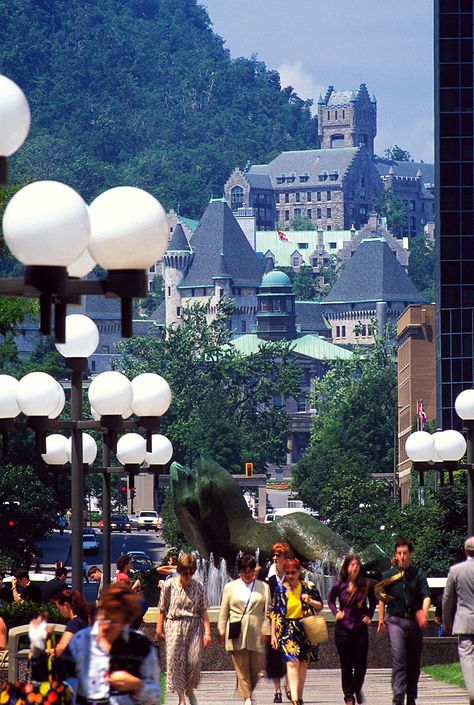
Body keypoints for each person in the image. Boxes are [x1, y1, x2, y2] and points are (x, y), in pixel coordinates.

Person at [67, 583, 160, 705]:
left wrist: (137, 685)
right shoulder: (81, 640)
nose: (106, 625)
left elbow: (155, 695)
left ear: (126, 622)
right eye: (104, 617)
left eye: (114, 621)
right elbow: (65, 681)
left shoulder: (141, 645)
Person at [376, 537, 430, 705]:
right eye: (399, 553)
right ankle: (398, 694)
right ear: (396, 555)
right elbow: (381, 597)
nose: (402, 557)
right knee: (399, 657)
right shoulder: (389, 575)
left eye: (405, 553)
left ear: (410, 555)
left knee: (413, 661)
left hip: (414, 622)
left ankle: (411, 697)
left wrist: (424, 611)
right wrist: (380, 620)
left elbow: (426, 595)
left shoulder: (418, 574)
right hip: (395, 621)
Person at [156, 553, 210, 705]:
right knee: (176, 661)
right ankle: (181, 699)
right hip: (174, 625)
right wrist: (159, 628)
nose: (188, 576)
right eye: (185, 573)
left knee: (193, 661)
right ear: (179, 571)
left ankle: (190, 689)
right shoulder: (169, 586)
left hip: (193, 625)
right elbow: (162, 608)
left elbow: (203, 610)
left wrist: (207, 631)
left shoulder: (198, 587)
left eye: (191, 573)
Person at [218, 554, 271, 705]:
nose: (247, 574)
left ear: (255, 570)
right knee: (241, 667)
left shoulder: (264, 587)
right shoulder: (230, 587)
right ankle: (247, 697)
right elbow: (224, 611)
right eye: (244, 571)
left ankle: (247, 691)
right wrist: (222, 630)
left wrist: (267, 631)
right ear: (239, 571)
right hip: (236, 630)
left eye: (250, 571)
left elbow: (268, 612)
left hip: (257, 631)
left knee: (256, 668)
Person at [270, 557, 322, 705]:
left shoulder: (308, 587)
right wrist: (273, 634)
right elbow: (274, 613)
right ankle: (294, 699)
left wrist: (310, 601)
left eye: (293, 572)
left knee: (303, 663)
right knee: (292, 662)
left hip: (306, 627)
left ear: (299, 572)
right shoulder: (280, 590)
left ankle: (298, 695)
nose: (290, 576)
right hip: (288, 629)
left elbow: (319, 605)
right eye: (287, 573)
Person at [328, 553, 376, 705]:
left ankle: (357, 687)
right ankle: (349, 696)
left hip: (360, 627)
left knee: (361, 664)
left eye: (357, 565)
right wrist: (336, 613)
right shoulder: (339, 585)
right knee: (346, 663)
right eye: (352, 565)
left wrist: (369, 615)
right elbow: (330, 600)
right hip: (343, 628)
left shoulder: (366, 584)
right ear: (347, 567)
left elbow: (373, 602)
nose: (355, 568)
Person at [442, 536, 474, 705]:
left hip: (464, 623)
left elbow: (447, 598)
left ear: (465, 551)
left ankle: (473, 693)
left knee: (468, 660)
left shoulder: (456, 570)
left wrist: (446, 620)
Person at [261, 542, 291, 703]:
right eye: (273, 555)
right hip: (269, 620)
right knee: (273, 656)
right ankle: (277, 690)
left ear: (285, 557)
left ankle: (289, 685)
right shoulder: (266, 574)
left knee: (288, 655)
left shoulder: (291, 574)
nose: (275, 558)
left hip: (288, 620)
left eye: (278, 555)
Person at [53, 589, 90, 658]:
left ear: (66, 605)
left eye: (59, 608)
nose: (59, 611)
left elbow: (61, 647)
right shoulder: (83, 619)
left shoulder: (74, 623)